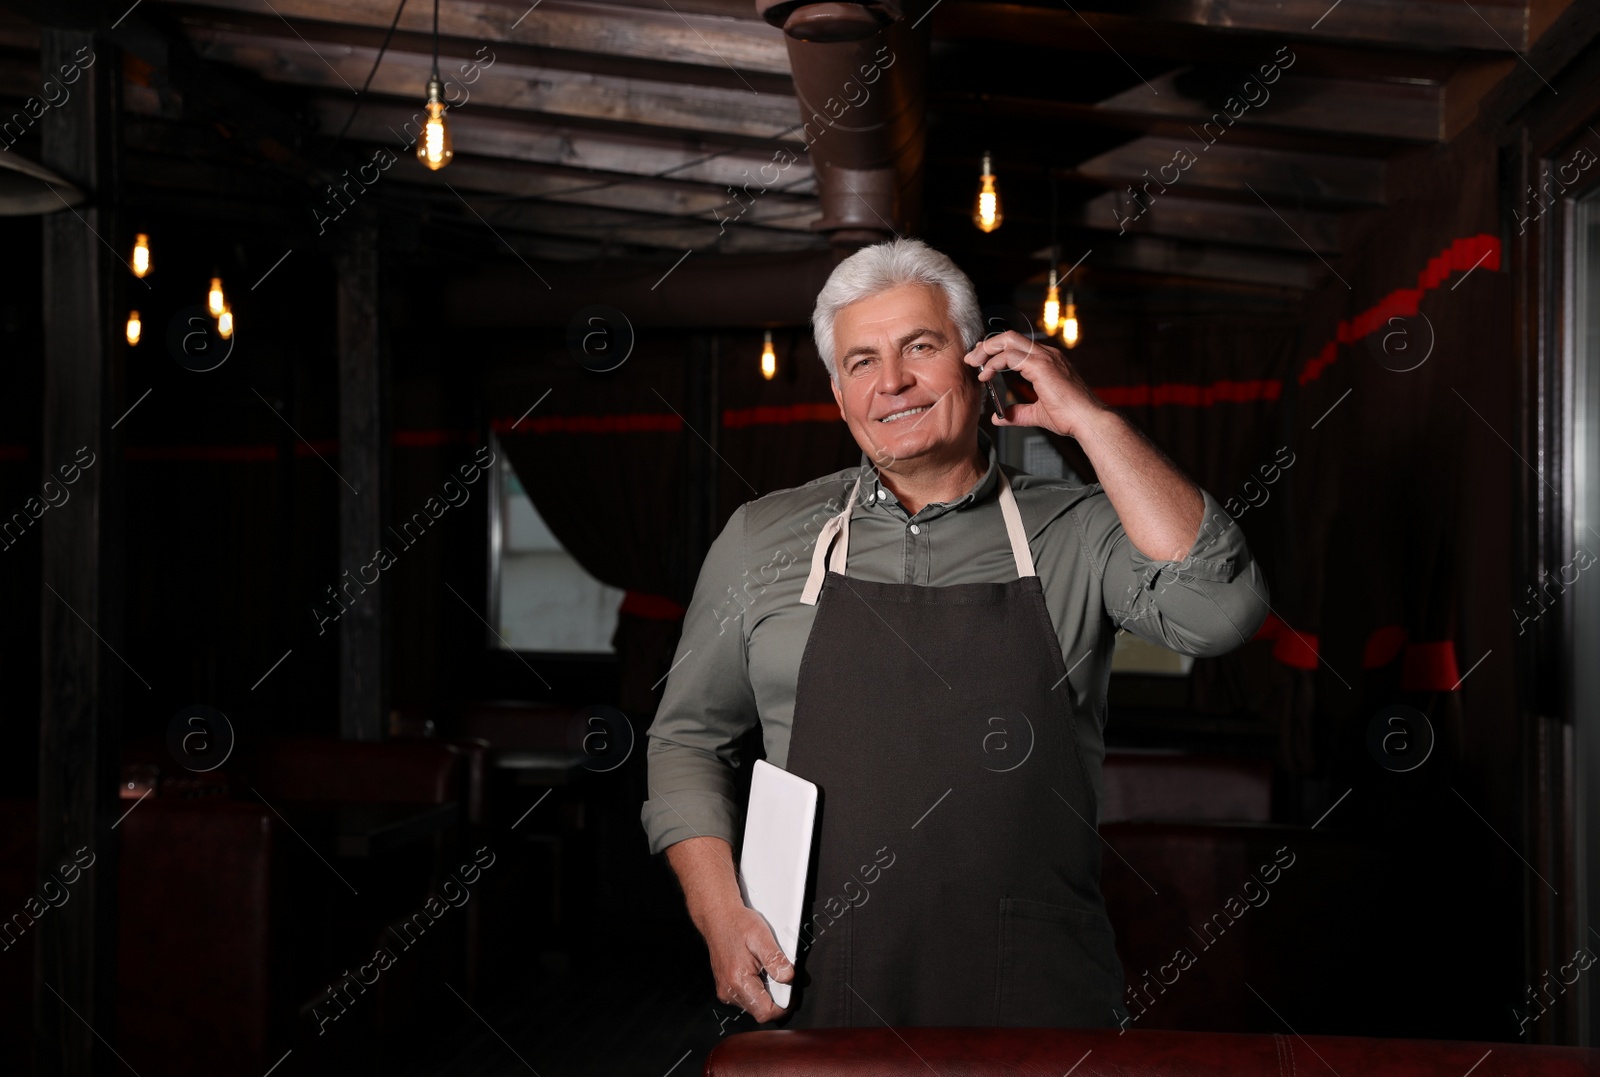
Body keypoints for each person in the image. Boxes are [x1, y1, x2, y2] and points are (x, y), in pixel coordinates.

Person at [640, 238, 1271, 1029]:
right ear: (838, 395)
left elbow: (1223, 609)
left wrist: (1090, 419)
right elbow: (687, 739)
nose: (892, 382)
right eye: (861, 361)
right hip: (814, 977)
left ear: (980, 364)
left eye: (920, 347)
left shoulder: (1076, 530)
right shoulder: (760, 538)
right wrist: (718, 910)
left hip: (1036, 993)